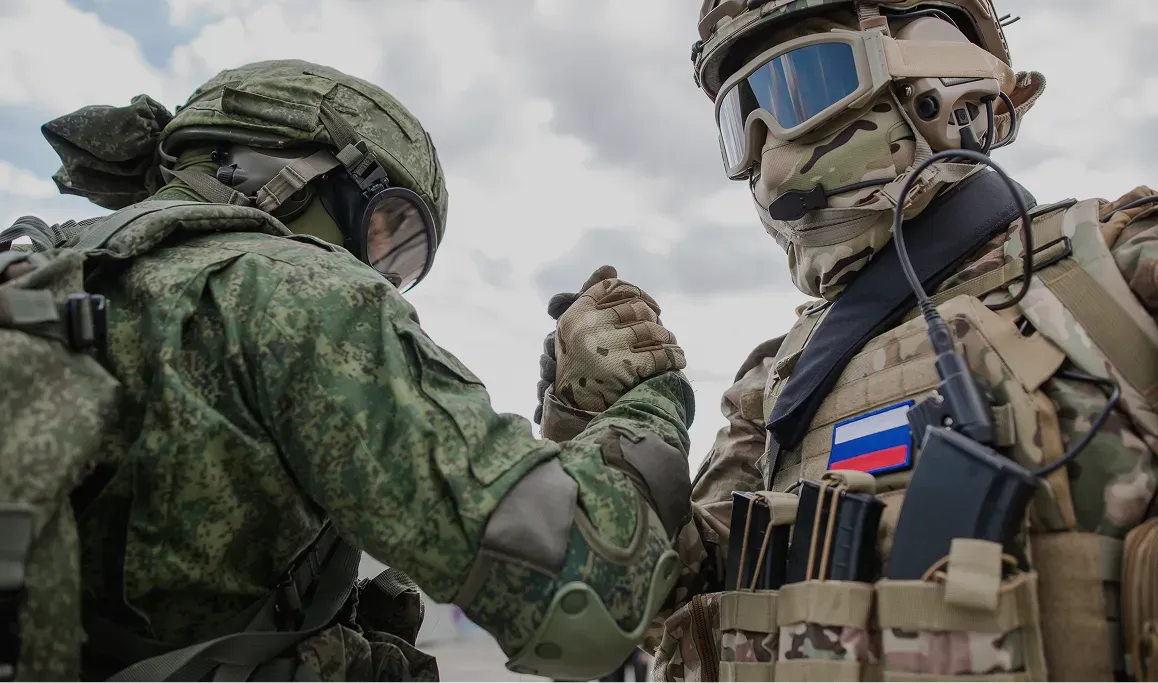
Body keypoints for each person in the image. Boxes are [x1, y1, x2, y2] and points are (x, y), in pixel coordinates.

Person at [2, 59, 697, 683]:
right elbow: (588, 604)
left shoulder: (51, 269)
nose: (382, 274)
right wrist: (645, 399)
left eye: (405, 262)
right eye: (386, 229)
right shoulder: (291, 288)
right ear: (295, 172)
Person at [536, 2, 1158, 682]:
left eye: (801, 87)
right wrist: (604, 427)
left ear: (938, 81)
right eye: (742, 120)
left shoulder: (1115, 278)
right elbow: (671, 593)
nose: (766, 147)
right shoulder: (777, 380)